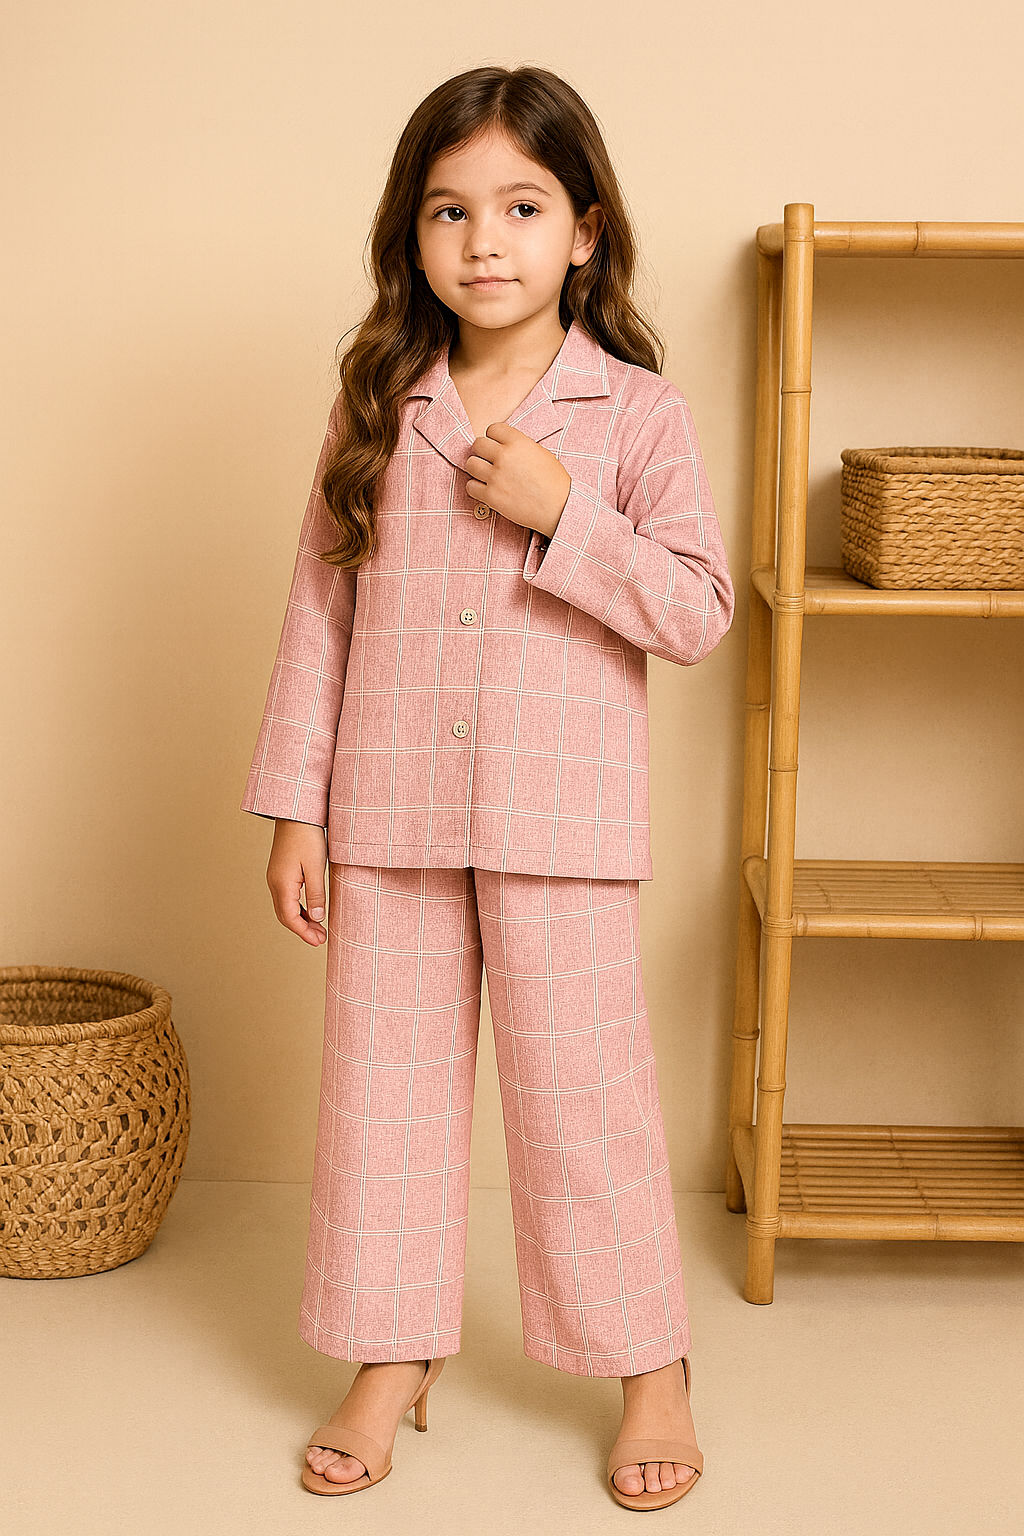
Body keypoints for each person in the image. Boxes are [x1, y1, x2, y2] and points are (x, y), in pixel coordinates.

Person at [241, 63, 734, 1512]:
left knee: (585, 1105)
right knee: (383, 1101)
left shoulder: (635, 417)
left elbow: (700, 609)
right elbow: (316, 611)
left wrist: (568, 515)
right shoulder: (379, 407)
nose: (484, 241)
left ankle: (651, 1367)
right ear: (414, 235)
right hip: (387, 815)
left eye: (521, 207)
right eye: (450, 210)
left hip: (563, 825)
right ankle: (393, 1355)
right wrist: (295, 807)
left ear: (584, 230)